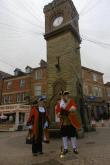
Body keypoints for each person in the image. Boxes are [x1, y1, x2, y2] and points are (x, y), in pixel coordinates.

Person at [56, 91, 81, 155]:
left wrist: (70, 110)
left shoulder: (71, 101)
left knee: (73, 135)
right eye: (63, 95)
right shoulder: (59, 103)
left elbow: (74, 107)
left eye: (66, 95)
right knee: (64, 136)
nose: (64, 96)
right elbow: (57, 112)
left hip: (71, 121)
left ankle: (74, 148)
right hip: (63, 122)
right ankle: (65, 148)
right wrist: (59, 114)